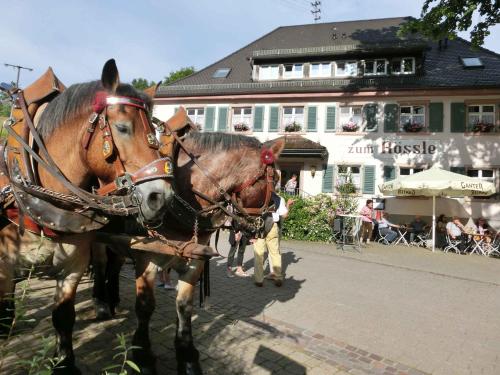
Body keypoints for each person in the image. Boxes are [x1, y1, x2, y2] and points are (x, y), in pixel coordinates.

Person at [253, 193, 294, 287]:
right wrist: (288, 205)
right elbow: (284, 215)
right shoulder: (279, 198)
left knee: (258, 254)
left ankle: (259, 280)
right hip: (273, 226)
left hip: (259, 226)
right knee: (275, 253)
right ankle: (278, 277)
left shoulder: (257, 196)